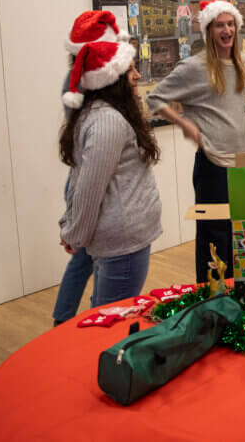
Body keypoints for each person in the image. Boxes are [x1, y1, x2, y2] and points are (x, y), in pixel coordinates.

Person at [148, 0, 245, 281]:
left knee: (235, 232)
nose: (226, 30)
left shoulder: (241, 63)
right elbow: (155, 98)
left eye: (230, 24)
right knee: (213, 236)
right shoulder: (194, 66)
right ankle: (210, 297)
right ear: (208, 30)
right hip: (212, 164)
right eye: (219, 25)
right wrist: (184, 123)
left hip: (240, 163)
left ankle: (232, 292)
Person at [58, 39, 162, 307]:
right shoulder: (107, 122)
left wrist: (72, 227)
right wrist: (74, 232)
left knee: (106, 311)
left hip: (120, 240)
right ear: (112, 80)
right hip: (122, 243)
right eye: (130, 70)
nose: (138, 76)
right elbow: (88, 188)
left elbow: (81, 180)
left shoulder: (104, 115)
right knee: (111, 324)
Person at [52, 10, 130, 325]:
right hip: (90, 178)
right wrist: (73, 223)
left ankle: (66, 318)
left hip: (86, 177)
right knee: (85, 257)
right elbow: (93, 161)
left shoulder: (76, 83)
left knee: (84, 258)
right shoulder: (89, 87)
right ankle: (69, 320)